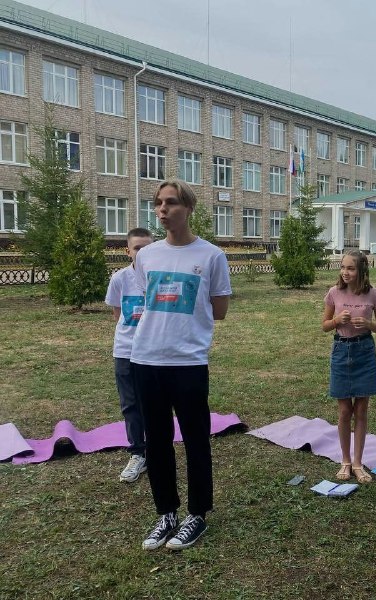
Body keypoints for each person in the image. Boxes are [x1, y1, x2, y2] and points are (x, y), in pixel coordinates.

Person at [131, 179, 232, 551]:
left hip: (188, 361)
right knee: (156, 441)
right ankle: (166, 513)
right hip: (145, 359)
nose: (163, 209)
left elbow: (219, 310)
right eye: (158, 203)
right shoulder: (147, 255)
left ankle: (197, 514)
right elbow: (145, 301)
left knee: (195, 439)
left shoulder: (211, 256)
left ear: (188, 208)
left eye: (171, 202)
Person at [321, 250, 376, 484]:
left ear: (361, 270)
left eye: (350, 268)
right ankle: (345, 461)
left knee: (360, 411)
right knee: (344, 412)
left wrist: (368, 323)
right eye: (342, 267)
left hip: (364, 352)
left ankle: (358, 463)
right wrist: (337, 321)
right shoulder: (334, 292)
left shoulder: (373, 294)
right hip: (341, 351)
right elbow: (325, 325)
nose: (345, 272)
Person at [105, 227, 153, 483]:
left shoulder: (159, 279)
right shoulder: (120, 279)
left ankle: (157, 451)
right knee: (130, 404)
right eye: (137, 248)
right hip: (125, 351)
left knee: (154, 403)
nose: (142, 253)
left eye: (148, 248)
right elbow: (118, 314)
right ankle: (137, 453)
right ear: (128, 251)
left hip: (154, 352)